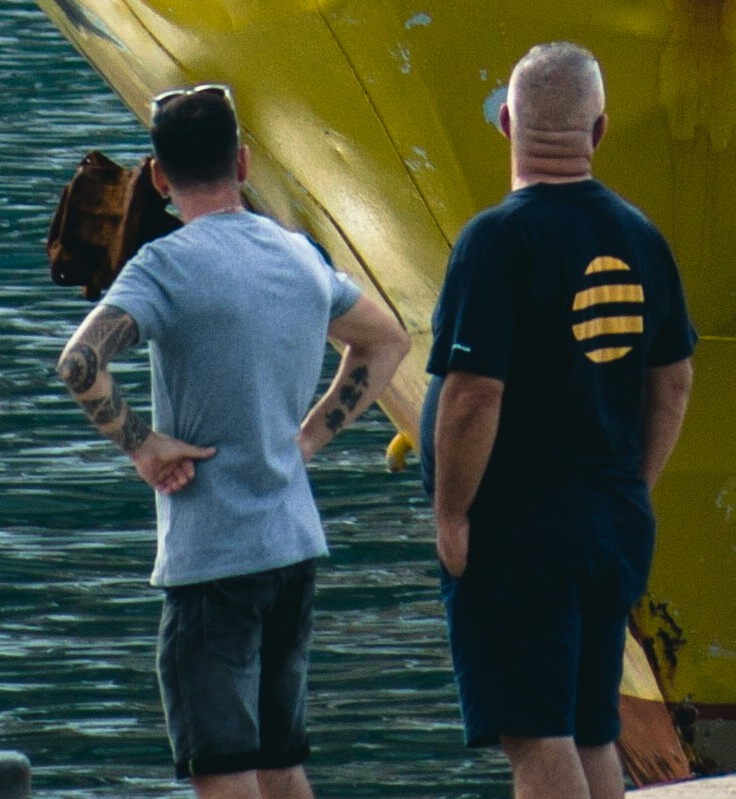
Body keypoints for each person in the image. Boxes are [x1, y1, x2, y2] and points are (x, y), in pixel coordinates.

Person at [55, 77, 412, 799]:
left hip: (212, 557)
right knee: (282, 761)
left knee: (222, 769)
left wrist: (144, 446)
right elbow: (386, 341)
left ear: (157, 178)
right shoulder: (301, 258)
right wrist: (306, 441)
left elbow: (80, 363)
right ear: (243, 163)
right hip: (292, 544)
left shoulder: (163, 267)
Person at [428, 42, 699, 799]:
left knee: (537, 737)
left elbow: (474, 392)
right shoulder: (643, 238)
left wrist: (451, 513)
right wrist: (628, 486)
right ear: (600, 130)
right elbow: (673, 381)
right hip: (610, 522)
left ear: (507, 123)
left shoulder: (497, 240)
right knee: (589, 728)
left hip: (523, 530)